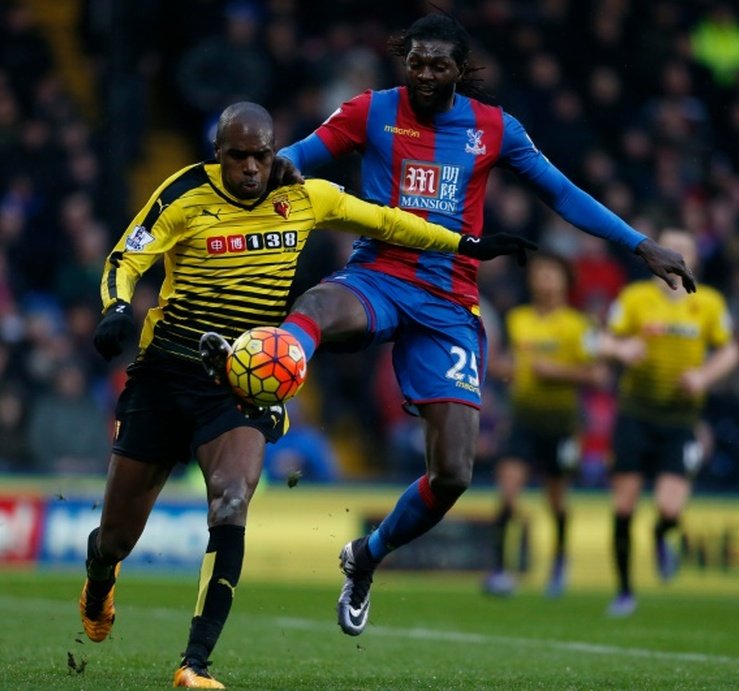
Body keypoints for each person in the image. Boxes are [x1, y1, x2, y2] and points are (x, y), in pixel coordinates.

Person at [260, 13, 695, 637]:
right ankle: (269, 385)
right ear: (403, 62)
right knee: (319, 309)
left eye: (440, 65)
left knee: (454, 473)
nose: (427, 75)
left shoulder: (494, 128)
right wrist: (280, 167)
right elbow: (300, 156)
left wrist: (639, 243)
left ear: (461, 70)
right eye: (417, 63)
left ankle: (365, 556)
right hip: (380, 274)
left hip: (448, 301)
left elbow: (562, 192)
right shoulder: (369, 111)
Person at [78, 101, 538, 689]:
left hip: (239, 379)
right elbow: (128, 254)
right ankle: (99, 578)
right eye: (237, 156)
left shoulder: (306, 196)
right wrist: (117, 305)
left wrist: (466, 244)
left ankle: (195, 665)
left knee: (232, 499)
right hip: (166, 375)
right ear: (218, 155)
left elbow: (386, 221)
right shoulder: (184, 192)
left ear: (276, 153)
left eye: (261, 156)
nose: (250, 167)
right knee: (116, 537)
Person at [599, 228, 739, 617]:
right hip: (636, 413)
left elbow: (729, 351)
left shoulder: (708, 302)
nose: (675, 254)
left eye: (684, 249)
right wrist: (622, 348)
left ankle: (663, 538)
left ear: (694, 257)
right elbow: (603, 341)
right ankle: (624, 591)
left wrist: (703, 377)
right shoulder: (634, 298)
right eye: (669, 248)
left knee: (670, 508)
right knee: (624, 505)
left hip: (680, 418)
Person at [483, 253, 607, 598]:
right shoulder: (518, 319)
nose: (544, 280)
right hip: (522, 420)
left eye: (551, 274)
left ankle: (558, 563)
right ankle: (498, 570)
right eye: (539, 274)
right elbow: (502, 365)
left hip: (562, 424)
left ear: (565, 281)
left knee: (556, 500)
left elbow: (598, 375)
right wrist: (503, 367)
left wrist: (555, 371)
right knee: (507, 494)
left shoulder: (580, 326)